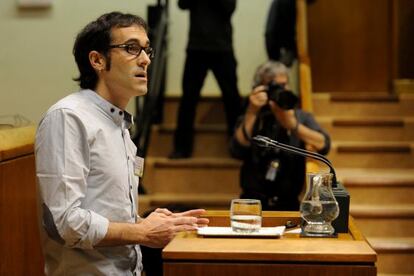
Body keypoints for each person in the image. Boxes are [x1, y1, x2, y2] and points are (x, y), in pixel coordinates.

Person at [35, 12, 208, 275]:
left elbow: (105, 213)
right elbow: (65, 222)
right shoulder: (69, 117)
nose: (146, 59)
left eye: (147, 49)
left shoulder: (120, 125)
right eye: (131, 48)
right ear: (97, 60)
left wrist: (147, 222)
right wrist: (141, 231)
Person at [230, 61, 330, 211]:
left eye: (284, 85)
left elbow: (324, 144)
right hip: (251, 204)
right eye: (274, 87)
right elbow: (236, 150)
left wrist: (293, 125)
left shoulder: (300, 116)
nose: (280, 91)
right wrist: (251, 112)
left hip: (289, 203)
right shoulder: (252, 115)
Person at [169, 0, 241, 159]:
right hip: (196, 47)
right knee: (188, 99)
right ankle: (182, 148)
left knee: (232, 98)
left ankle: (238, 145)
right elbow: (182, 4)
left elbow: (229, 7)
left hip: (222, 47)